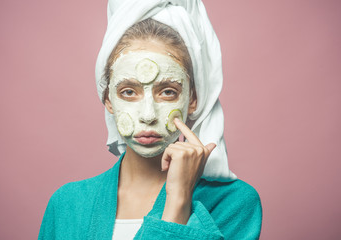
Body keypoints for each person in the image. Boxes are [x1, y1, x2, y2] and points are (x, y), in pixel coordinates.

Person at [38, 1, 262, 239]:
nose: (148, 115)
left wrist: (179, 199)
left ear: (193, 99)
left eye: (167, 92)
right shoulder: (66, 205)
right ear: (109, 100)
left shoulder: (234, 204)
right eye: (128, 91)